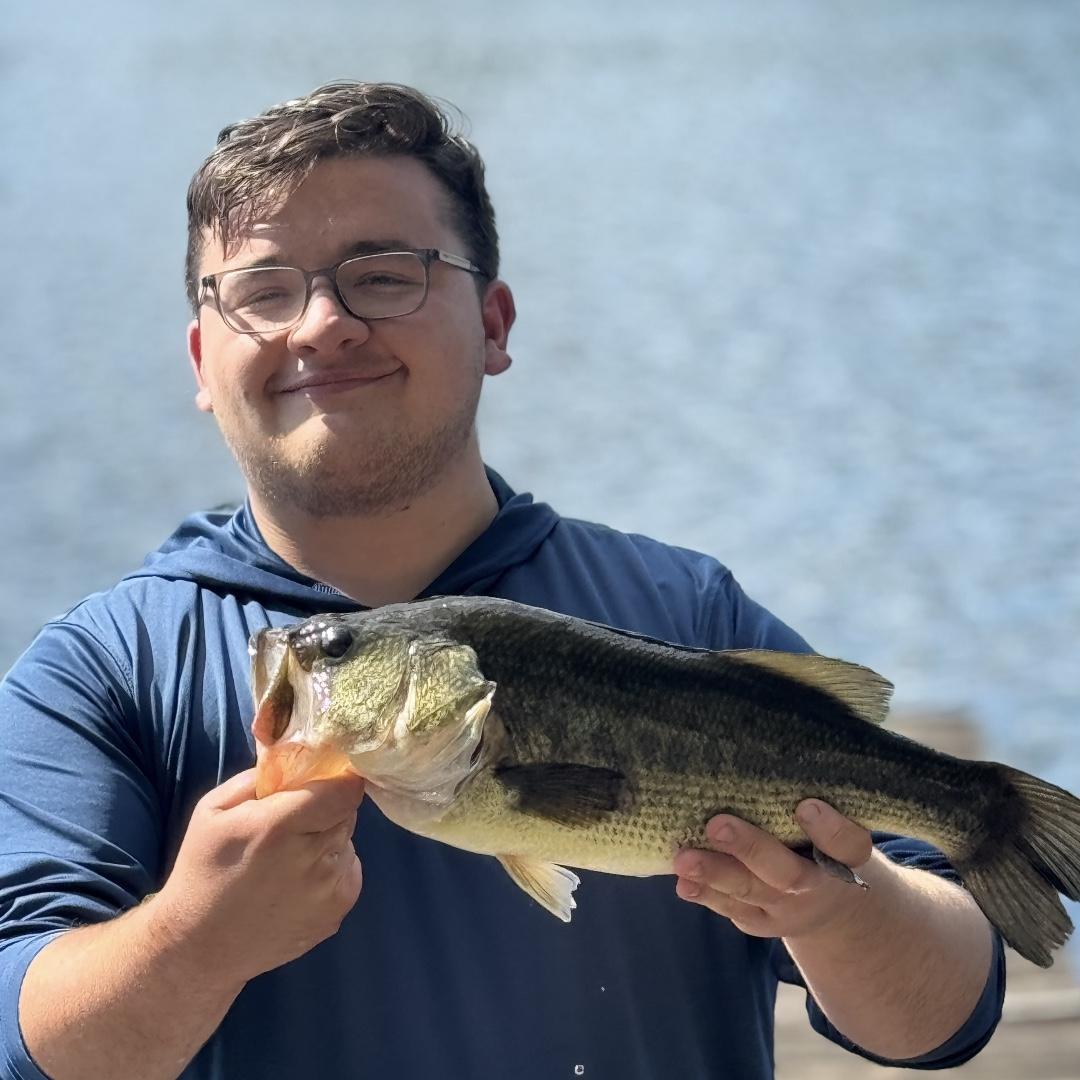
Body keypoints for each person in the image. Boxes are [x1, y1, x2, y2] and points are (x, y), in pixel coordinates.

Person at [0, 82, 1004, 1080]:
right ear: (201, 358)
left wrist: (838, 912)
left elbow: (945, 1015)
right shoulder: (104, 673)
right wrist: (193, 941)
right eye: (263, 291)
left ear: (493, 323)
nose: (322, 325)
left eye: (384, 275)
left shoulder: (684, 612)